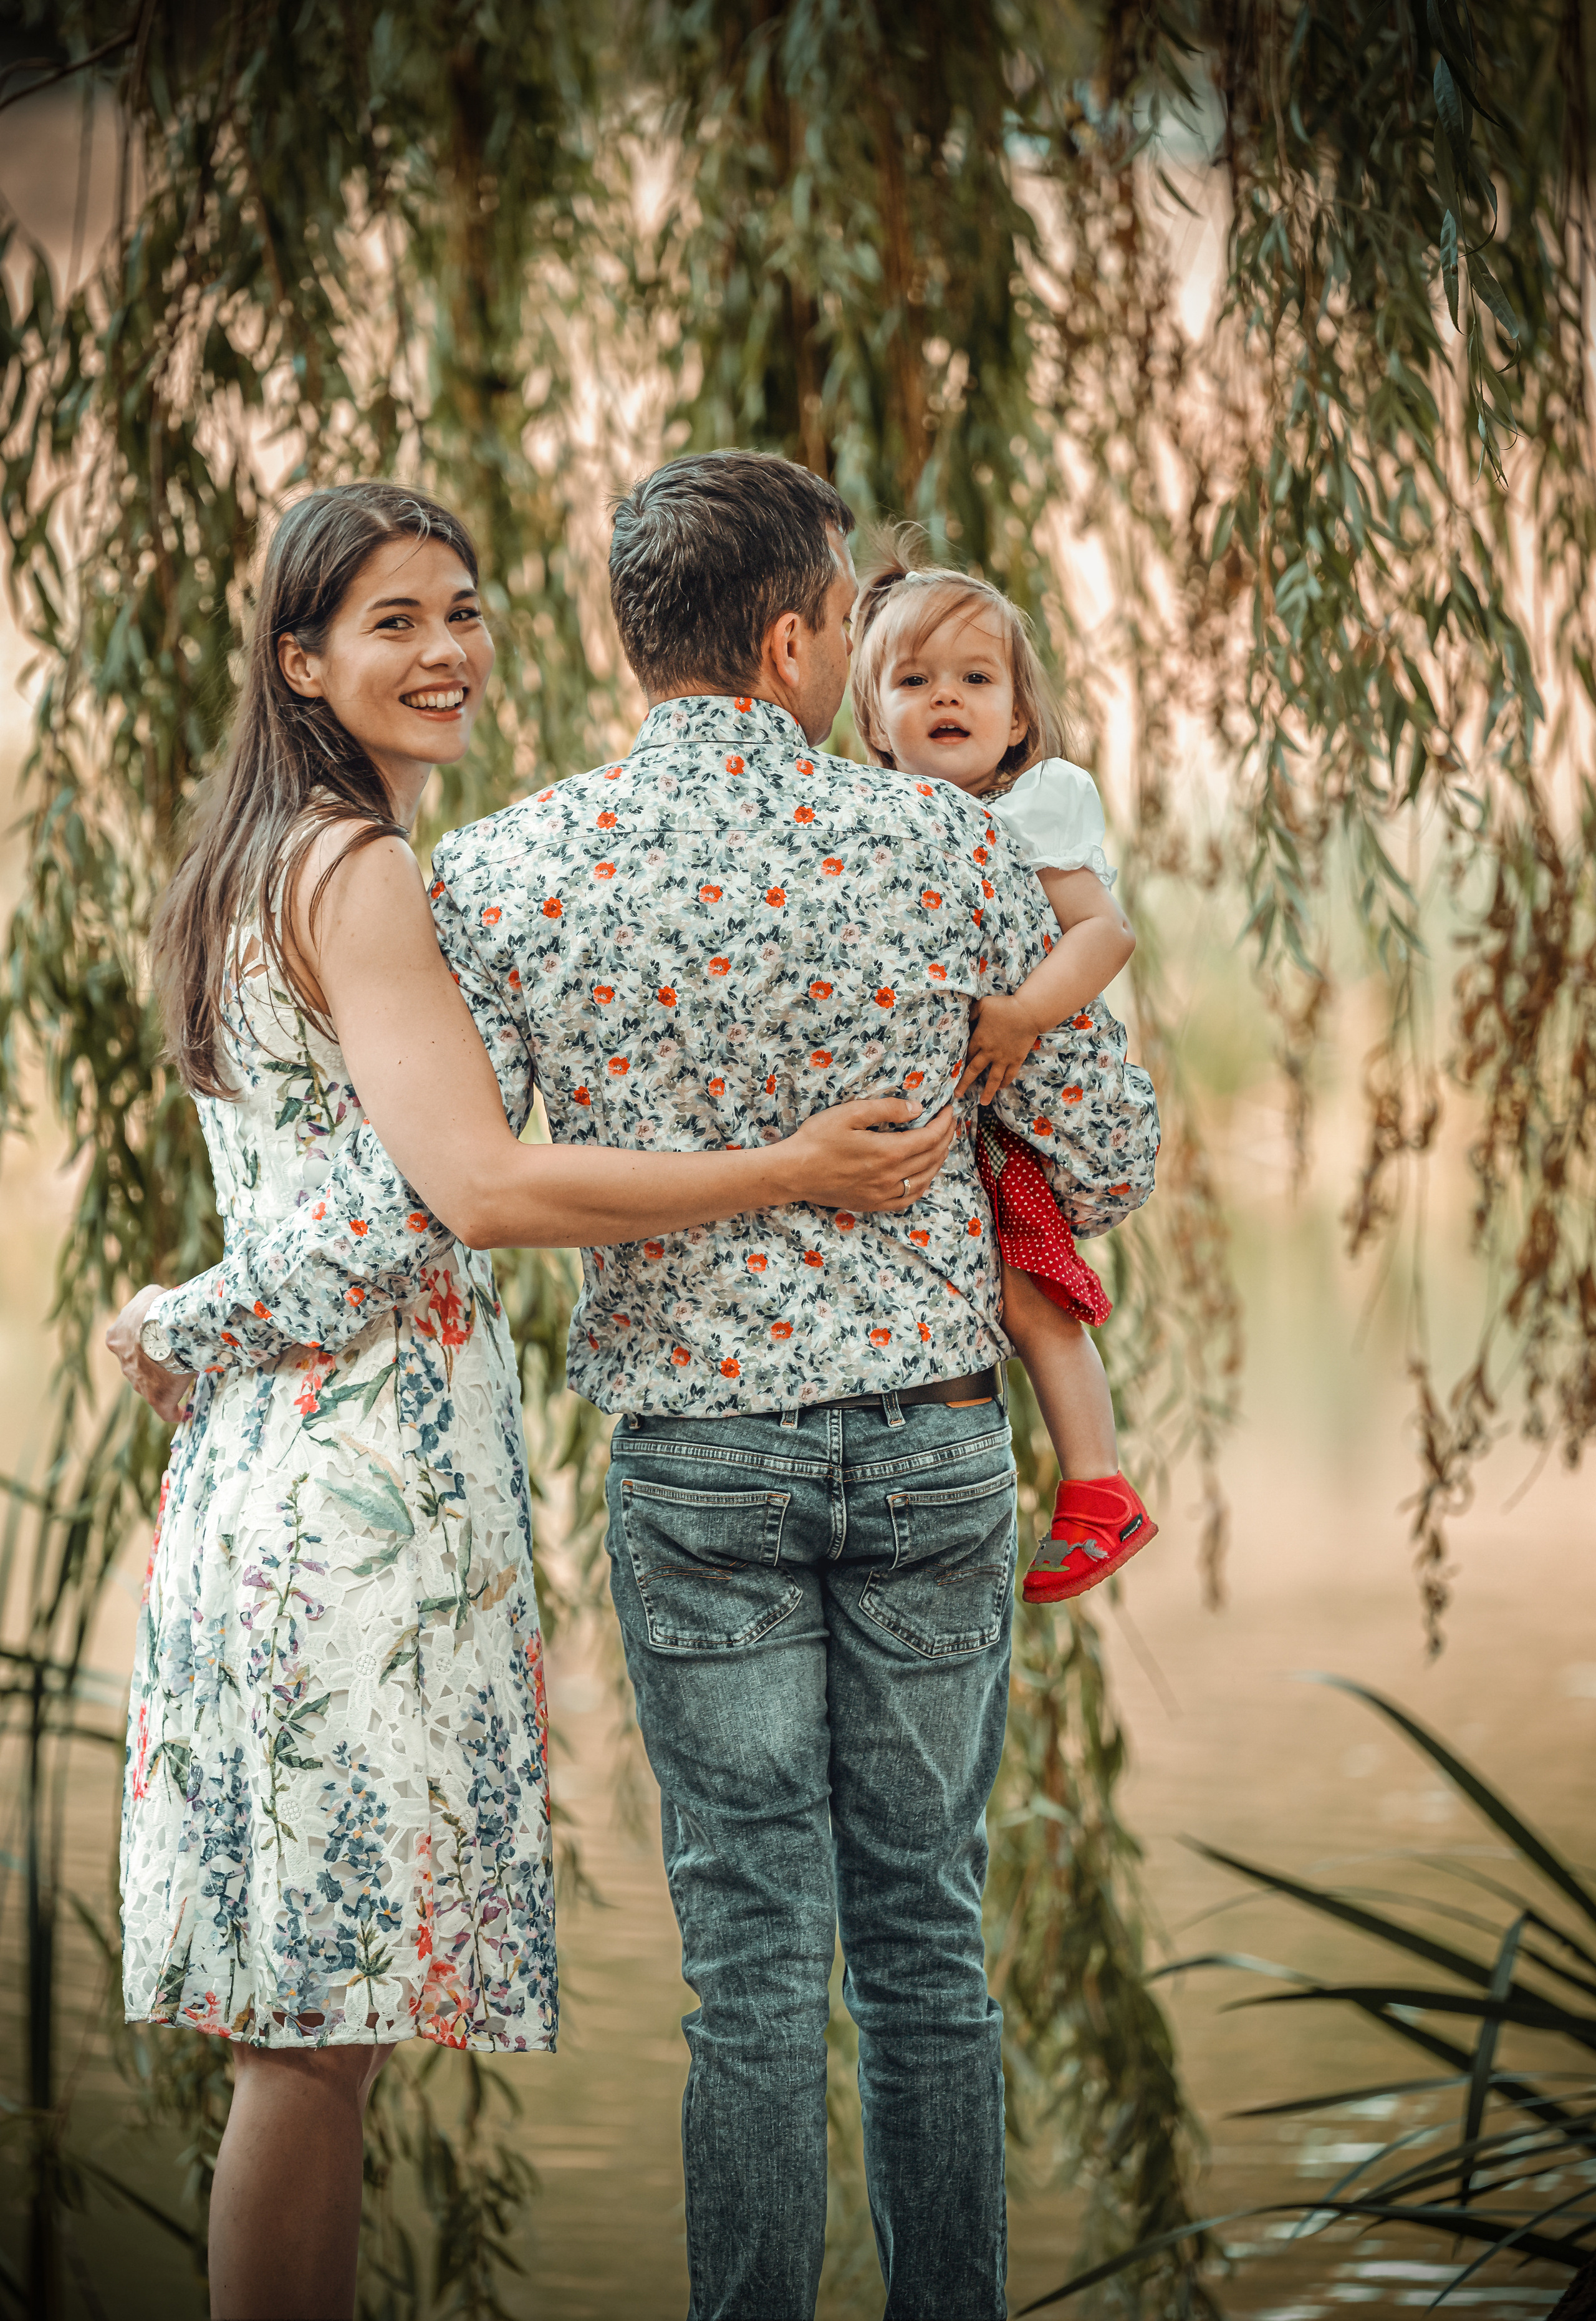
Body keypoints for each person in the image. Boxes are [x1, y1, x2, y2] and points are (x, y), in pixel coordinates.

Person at [118, 449, 1158, 2321]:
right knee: (927, 1941)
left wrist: (187, 1319)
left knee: (750, 1963)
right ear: (789, 639)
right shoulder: (954, 848)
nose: (860, 656)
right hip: (928, 1442)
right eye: (852, 621)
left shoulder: (506, 871)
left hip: (697, 1470)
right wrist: (1000, 1037)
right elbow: (1111, 1153)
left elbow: (424, 1197)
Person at [848, 549, 1158, 1601]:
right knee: (1015, 1297)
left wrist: (1027, 1011)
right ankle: (1095, 1490)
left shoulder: (1038, 804)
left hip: (1033, 1100)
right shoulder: (868, 821)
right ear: (873, 721)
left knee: (1034, 1299)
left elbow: (1104, 934)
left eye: (976, 679)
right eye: (915, 678)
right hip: (974, 1122)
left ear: (1020, 718)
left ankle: (1102, 1483)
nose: (947, 696)